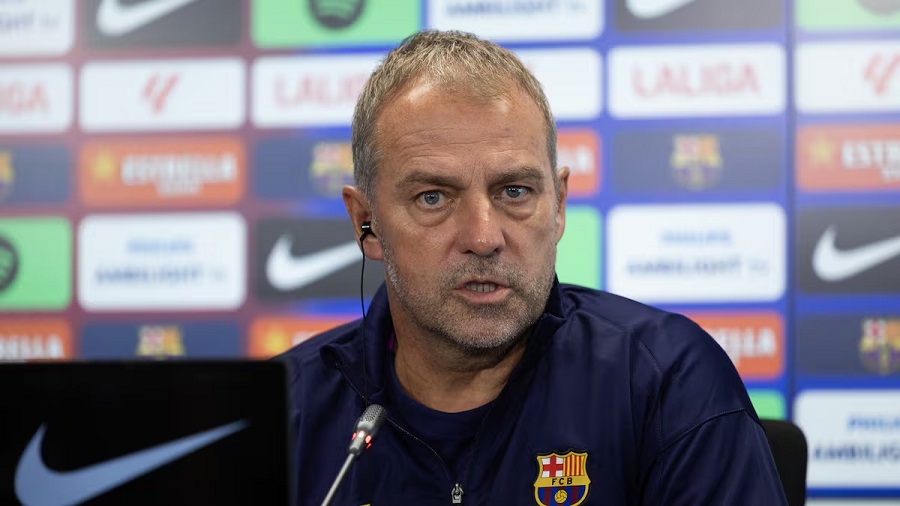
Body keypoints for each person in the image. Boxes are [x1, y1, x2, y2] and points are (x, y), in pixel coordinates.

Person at [280, 30, 788, 505]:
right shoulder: (287, 409)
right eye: (433, 197)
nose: (484, 238)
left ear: (559, 205)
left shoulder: (666, 381)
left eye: (514, 192)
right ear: (366, 223)